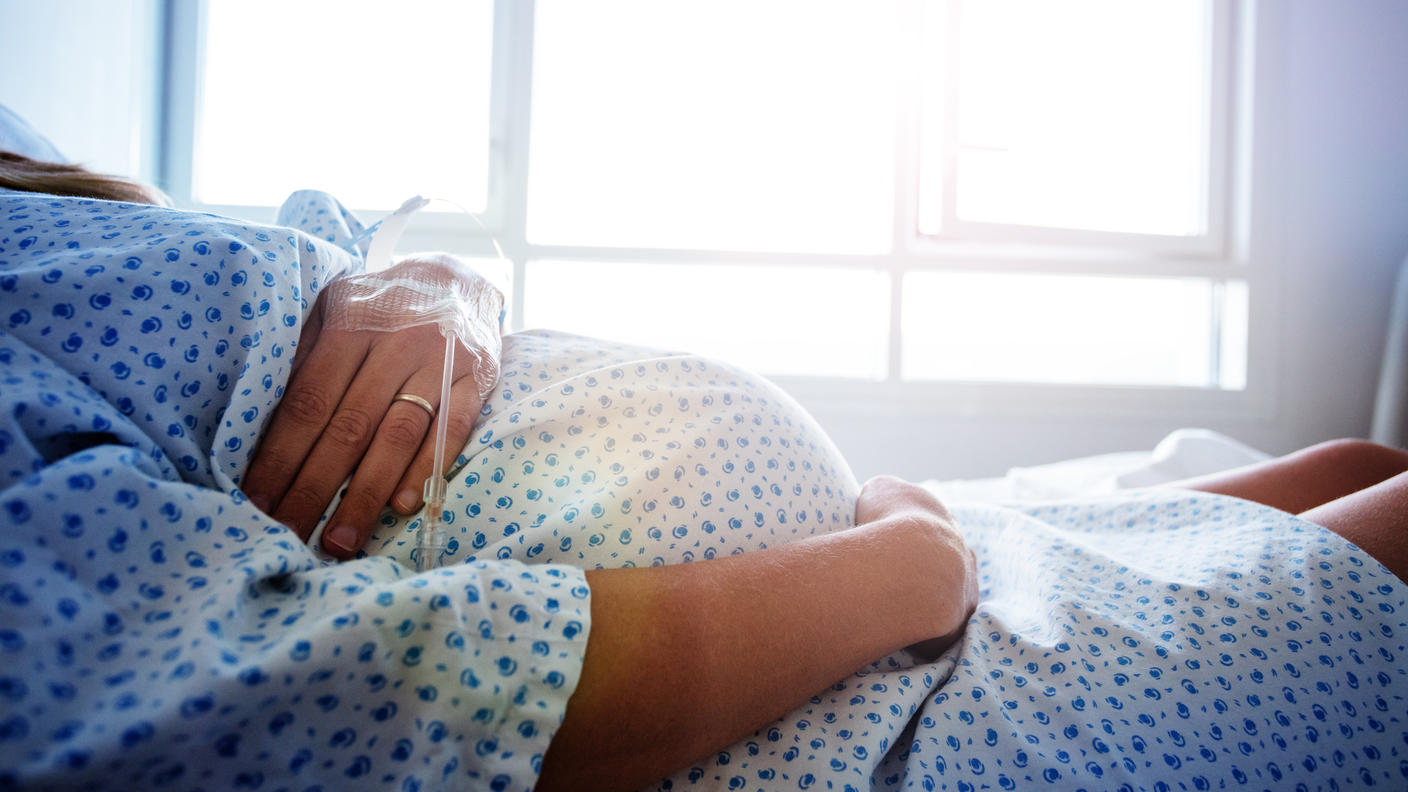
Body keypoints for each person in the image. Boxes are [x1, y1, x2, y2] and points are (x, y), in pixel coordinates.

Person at [2, 138, 1406, 792]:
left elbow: (310, 268)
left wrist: (441, 285)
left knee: (1351, 456)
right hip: (875, 700)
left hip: (900, 584)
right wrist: (902, 570)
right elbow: (365, 699)